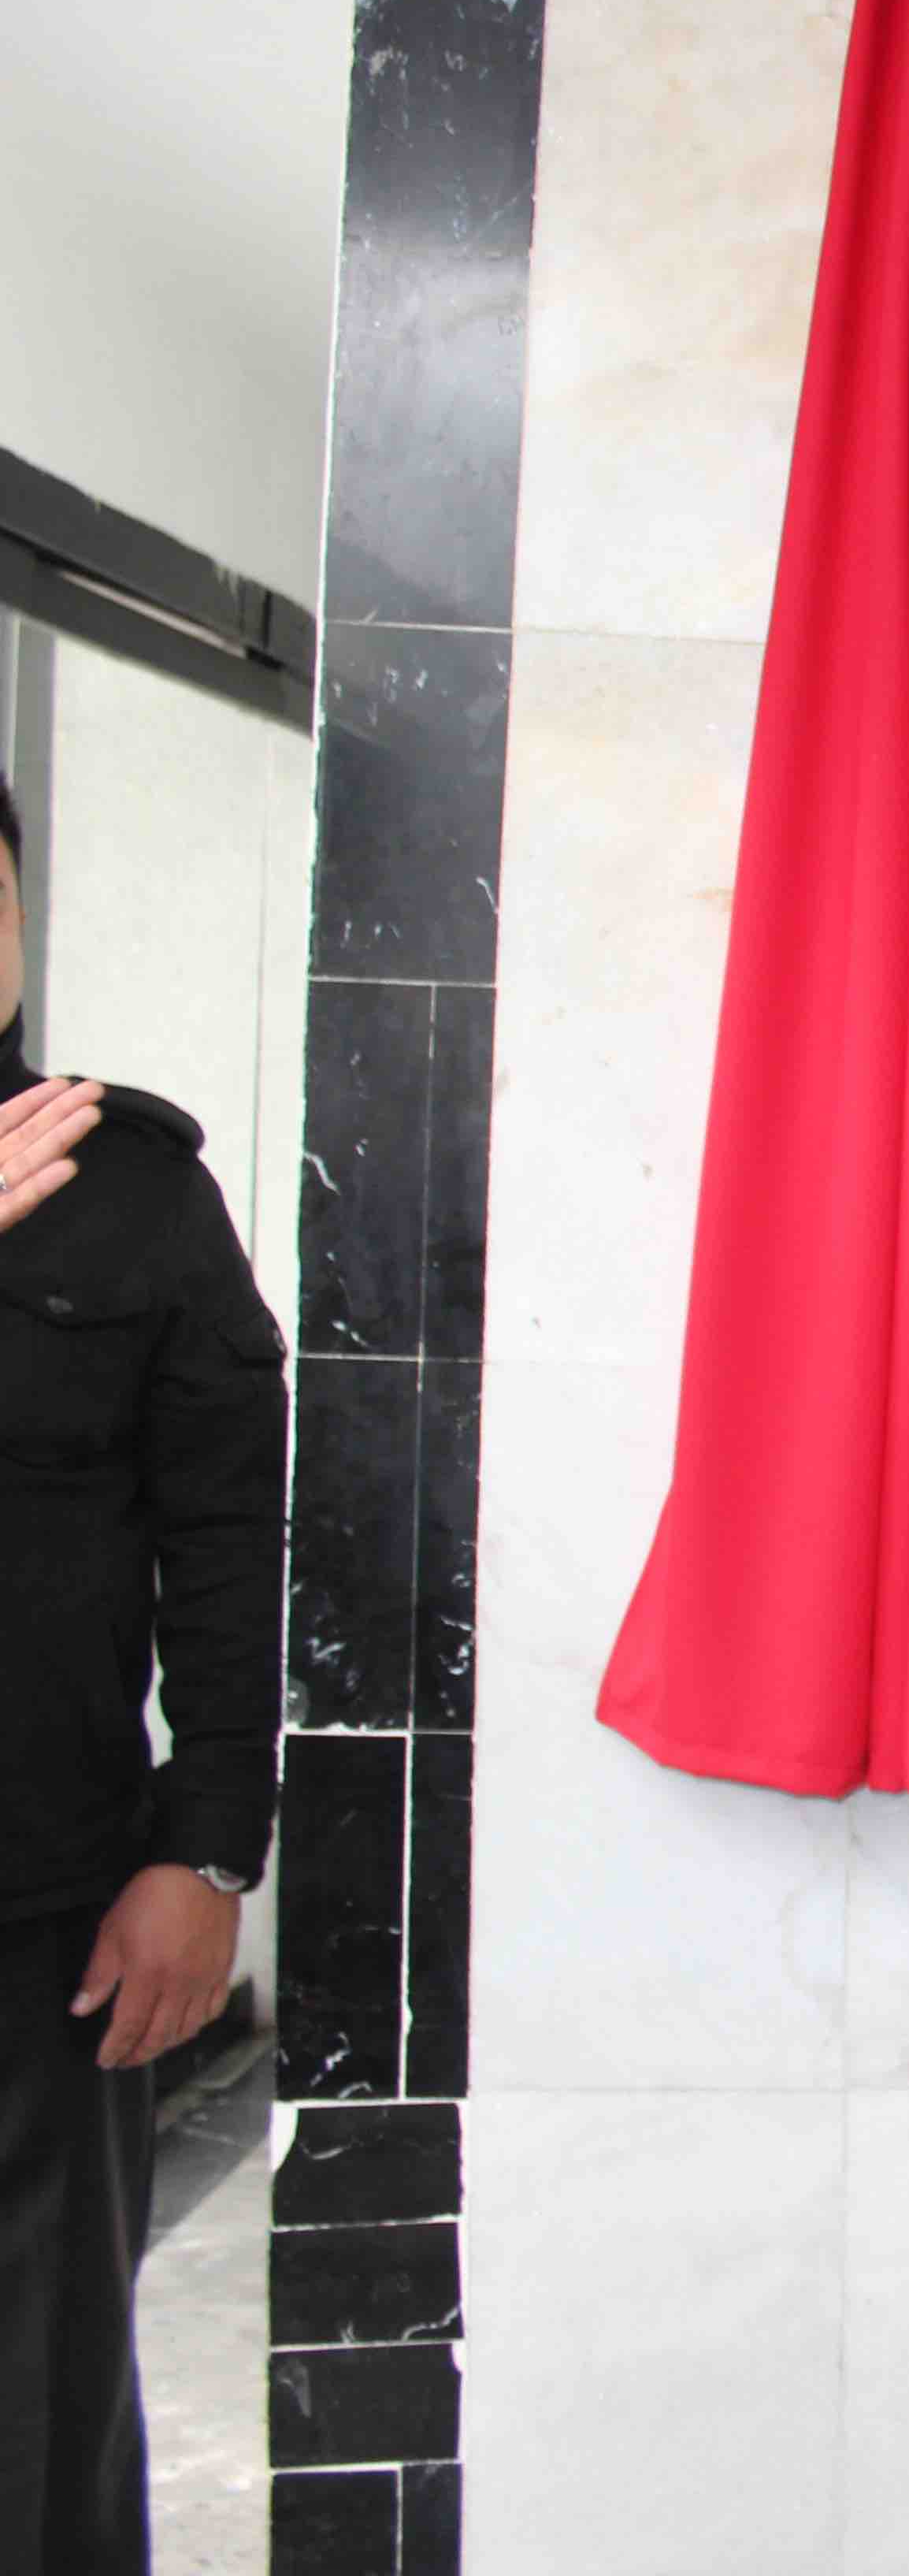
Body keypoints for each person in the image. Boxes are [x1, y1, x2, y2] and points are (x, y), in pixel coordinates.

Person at [0, 777, 287, 2576]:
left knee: (39, 2428)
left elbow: (231, 1536)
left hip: (42, 1927)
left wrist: (208, 1846)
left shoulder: (131, 1192)